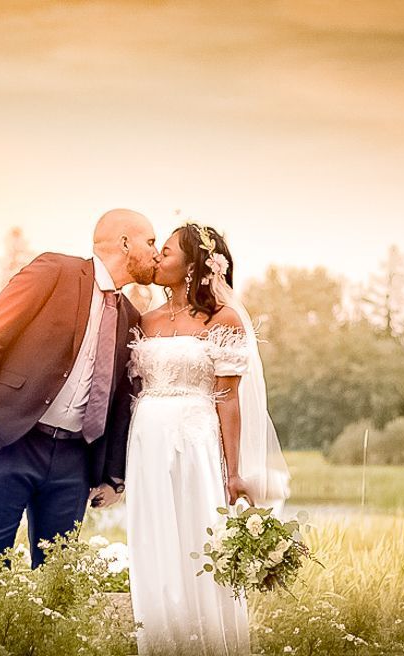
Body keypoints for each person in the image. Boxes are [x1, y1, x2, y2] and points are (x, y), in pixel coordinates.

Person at [0, 208, 160, 568]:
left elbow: (120, 403)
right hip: (10, 440)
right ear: (125, 243)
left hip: (74, 460)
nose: (156, 252)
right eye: (150, 241)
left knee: (58, 574)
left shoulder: (130, 316)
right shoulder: (54, 271)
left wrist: (114, 476)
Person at [124, 222, 291, 655]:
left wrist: (233, 472)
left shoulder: (223, 319)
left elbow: (229, 399)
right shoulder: (146, 320)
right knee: (154, 544)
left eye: (166, 252)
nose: (157, 258)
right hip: (146, 442)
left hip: (196, 441)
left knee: (198, 542)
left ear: (193, 264)